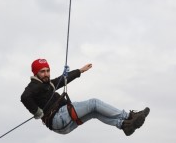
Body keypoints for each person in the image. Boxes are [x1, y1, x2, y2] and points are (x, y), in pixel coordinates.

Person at [20, 58, 150, 136]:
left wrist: (80, 71)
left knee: (94, 113)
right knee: (93, 103)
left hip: (62, 126)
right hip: (59, 118)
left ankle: (124, 125)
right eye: (42, 72)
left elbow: (62, 79)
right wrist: (37, 112)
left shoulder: (48, 84)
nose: (46, 74)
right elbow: (25, 97)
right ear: (36, 73)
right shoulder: (34, 86)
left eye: (47, 70)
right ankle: (128, 116)